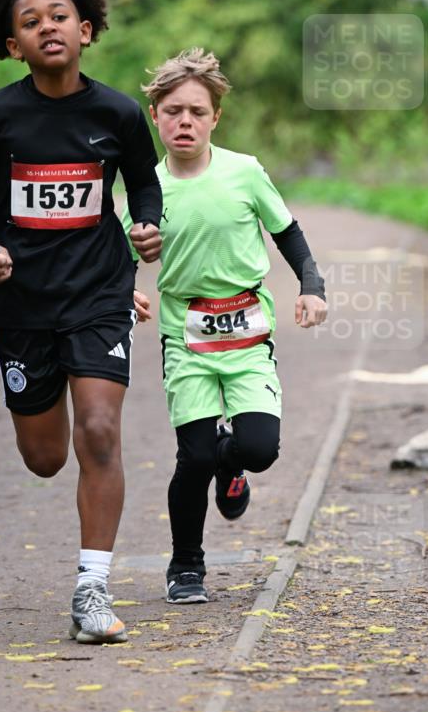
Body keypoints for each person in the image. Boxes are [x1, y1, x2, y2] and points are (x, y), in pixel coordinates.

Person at [0, 0, 162, 642]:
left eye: (59, 15)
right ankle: (42, 434)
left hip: (100, 290)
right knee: (45, 458)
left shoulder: (120, 113)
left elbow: (145, 182)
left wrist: (146, 224)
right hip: (24, 301)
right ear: (12, 45)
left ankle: (91, 590)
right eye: (31, 21)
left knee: (98, 429)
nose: (48, 27)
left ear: (86, 28)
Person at [122, 48, 326, 604]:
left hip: (247, 335)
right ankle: (186, 565)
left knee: (259, 447)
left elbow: (288, 232)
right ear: (156, 117)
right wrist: (128, 290)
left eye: (196, 111)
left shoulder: (244, 171)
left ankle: (232, 465)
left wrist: (312, 287)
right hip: (184, 336)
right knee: (194, 456)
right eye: (172, 111)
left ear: (215, 118)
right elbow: (117, 256)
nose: (184, 121)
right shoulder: (146, 188)